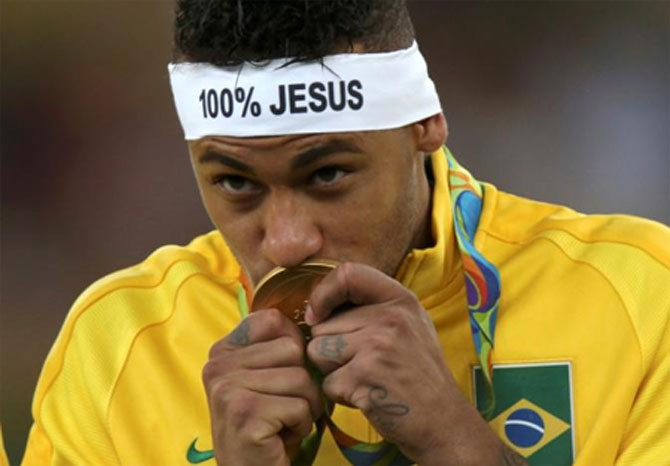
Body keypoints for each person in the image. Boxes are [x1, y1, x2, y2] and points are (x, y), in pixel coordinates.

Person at [22, 1, 669, 465]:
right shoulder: (118, 349)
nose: (287, 241)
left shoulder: (644, 301)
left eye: (327, 174)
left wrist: (456, 444)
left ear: (426, 124)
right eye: (237, 183)